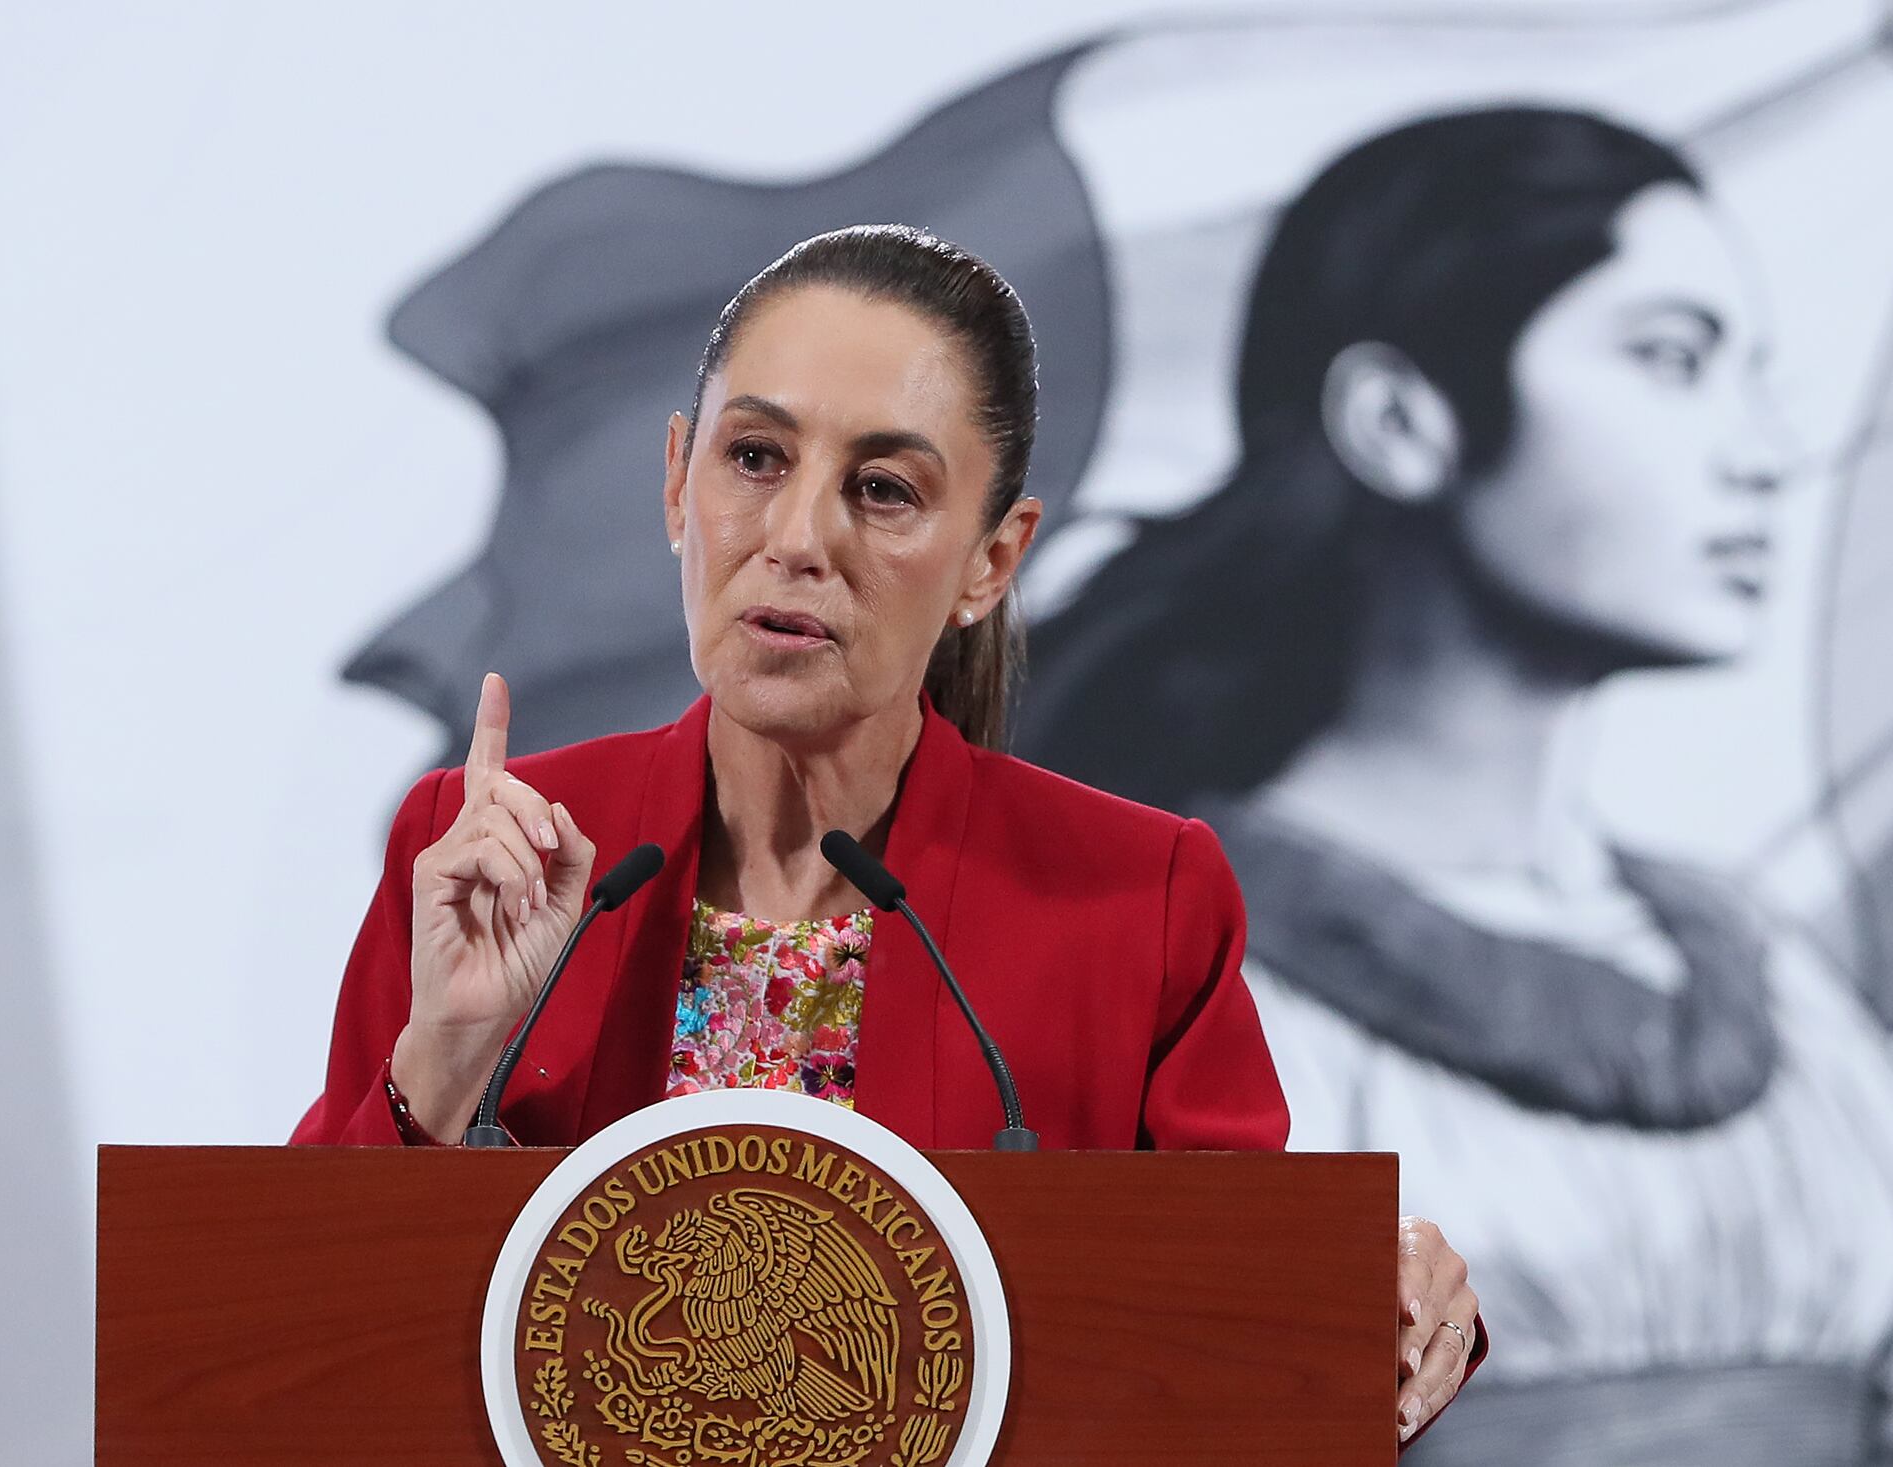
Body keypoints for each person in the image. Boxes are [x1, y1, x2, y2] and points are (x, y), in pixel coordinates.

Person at [292, 224, 1483, 1441]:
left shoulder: (1138, 897)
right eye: (753, 457)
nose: (797, 537)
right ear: (673, 482)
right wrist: (444, 1061)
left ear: (990, 559)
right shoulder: (496, 848)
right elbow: (290, 1339)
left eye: (883, 489)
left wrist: (1388, 1304)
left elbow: (1246, 1332)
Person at [1019, 108, 1893, 1464]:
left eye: (1754, 374)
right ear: (1400, 419)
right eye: (1672, 359)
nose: (1768, 452)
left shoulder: (1788, 990)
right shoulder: (1171, 988)